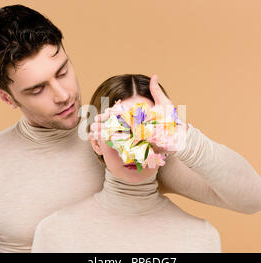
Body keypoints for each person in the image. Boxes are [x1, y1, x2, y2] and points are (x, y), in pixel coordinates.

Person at [0, 4, 261, 253]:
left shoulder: (126, 137)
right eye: (37, 89)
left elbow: (251, 200)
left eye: (63, 70)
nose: (62, 94)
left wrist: (183, 137)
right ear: (6, 97)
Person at [31, 74, 221, 252]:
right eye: (120, 132)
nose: (132, 151)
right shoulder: (55, 233)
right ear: (96, 142)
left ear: (167, 138)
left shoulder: (201, 238)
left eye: (147, 130)